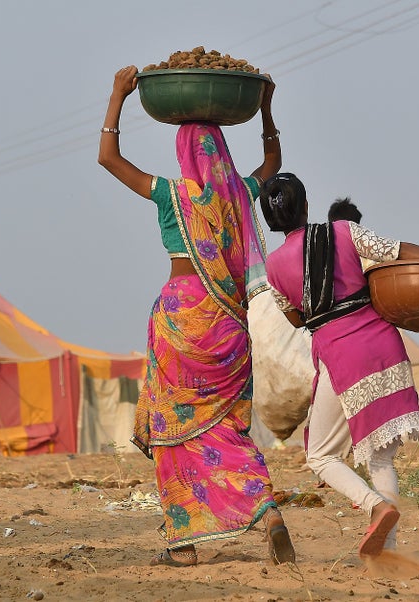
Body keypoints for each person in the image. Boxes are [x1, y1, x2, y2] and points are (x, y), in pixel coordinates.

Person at [98, 66, 295, 567]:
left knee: (171, 425)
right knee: (227, 425)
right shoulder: (239, 194)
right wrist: (267, 110)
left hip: (180, 317)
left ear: (182, 154)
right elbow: (272, 162)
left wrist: (117, 97)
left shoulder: (171, 194)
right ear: (222, 155)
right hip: (228, 322)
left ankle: (182, 544)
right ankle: (267, 509)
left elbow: (108, 158)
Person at [259, 172, 419, 558]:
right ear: (305, 205)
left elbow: (297, 319)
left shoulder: (274, 266)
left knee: (321, 455)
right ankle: (387, 552)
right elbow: (401, 252)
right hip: (385, 347)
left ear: (271, 221)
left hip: (342, 357)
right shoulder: (346, 233)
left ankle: (375, 506)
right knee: (381, 456)